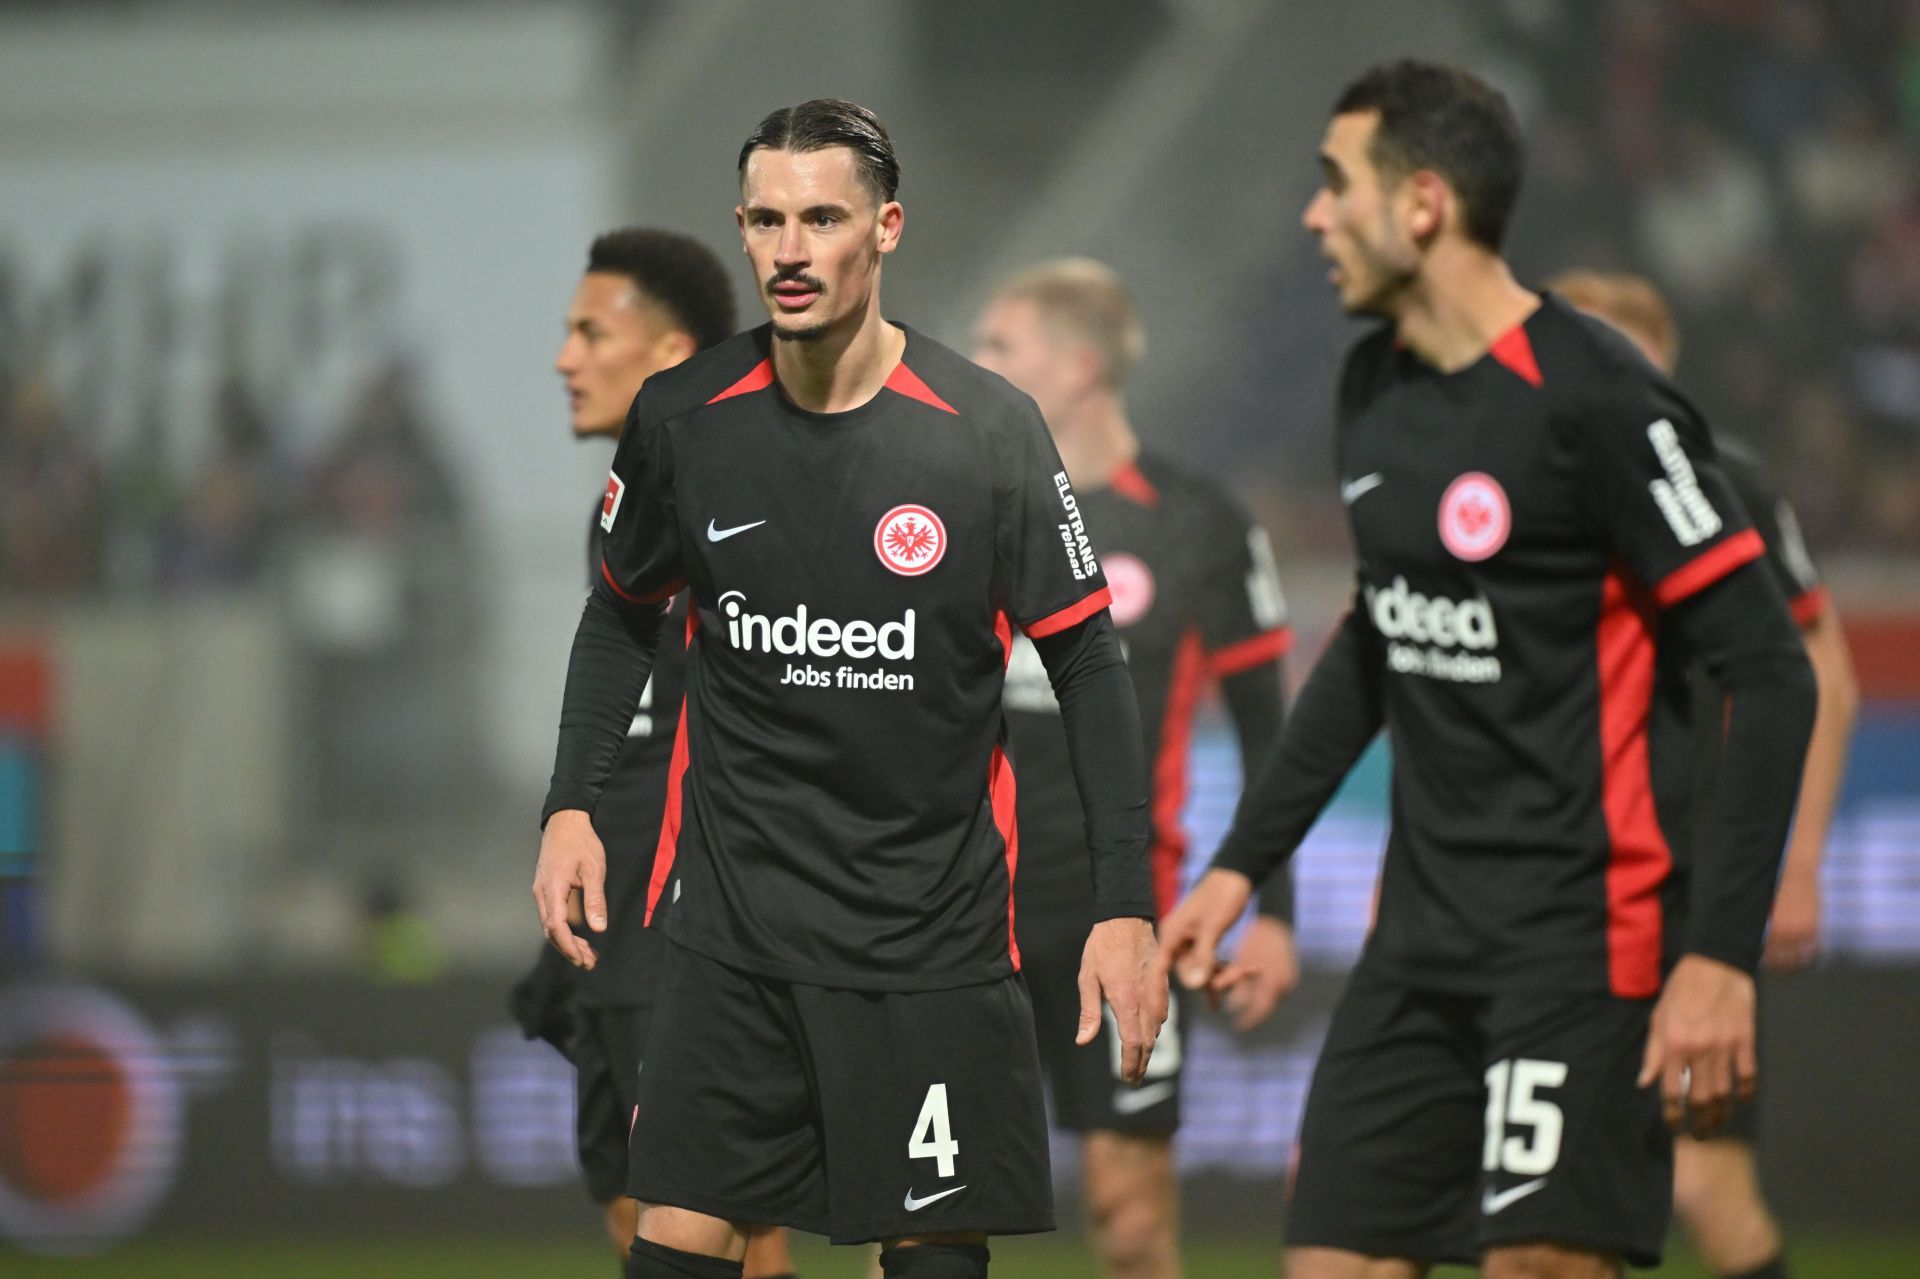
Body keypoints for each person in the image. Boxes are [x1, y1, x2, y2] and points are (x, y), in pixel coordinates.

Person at [1159, 60, 1817, 1279]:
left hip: (1585, 945)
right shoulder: (1372, 385)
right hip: (1418, 945)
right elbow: (1378, 641)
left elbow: (1775, 670)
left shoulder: (1604, 401)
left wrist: (1718, 957)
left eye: (1334, 184)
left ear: (1421, 205)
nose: (1312, 216)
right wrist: (1238, 867)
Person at [531, 99, 1168, 1279]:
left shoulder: (988, 432)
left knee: (927, 1259)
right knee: (670, 1249)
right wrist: (570, 802)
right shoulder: (684, 420)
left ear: (886, 228)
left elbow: (1087, 660)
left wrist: (1124, 904)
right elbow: (619, 616)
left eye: (821, 217)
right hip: (733, 936)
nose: (789, 249)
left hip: (929, 943)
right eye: (766, 219)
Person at [971, 258, 1296, 1279]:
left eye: (999, 347)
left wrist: (1275, 914)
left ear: (1078, 365)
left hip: (1126, 918)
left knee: (1133, 1219)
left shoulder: (1199, 522)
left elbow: (1267, 735)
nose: (977, 366)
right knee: (926, 1212)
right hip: (964, 921)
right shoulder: (964, 511)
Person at [1547, 269, 1859, 1279]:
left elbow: (1818, 671)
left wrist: (1799, 862)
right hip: (1539, 887)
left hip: (1678, 876)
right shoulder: (1509, 482)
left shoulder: (1722, 481)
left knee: (1702, 1184)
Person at [508, 229, 801, 1277]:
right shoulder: (623, 508)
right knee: (667, 1220)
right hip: (620, 906)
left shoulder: (749, 489)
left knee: (701, 1222)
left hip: (687, 917)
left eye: (592, 331)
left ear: (671, 356)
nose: (566, 358)